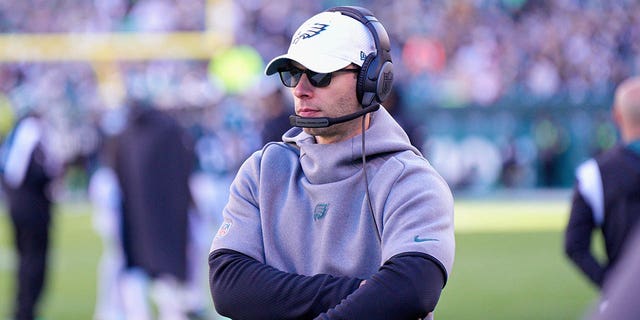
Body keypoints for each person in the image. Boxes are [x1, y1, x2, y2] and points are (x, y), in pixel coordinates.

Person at [208, 6, 455, 320]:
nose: (300, 89)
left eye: (320, 75)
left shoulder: (410, 180)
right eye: (293, 73)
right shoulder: (261, 170)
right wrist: (359, 291)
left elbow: (413, 288)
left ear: (372, 79)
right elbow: (230, 285)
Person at [112, 99, 196, 320]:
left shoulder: (127, 135)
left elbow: (118, 171)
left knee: (142, 270)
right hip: (168, 213)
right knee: (166, 271)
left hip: (138, 214)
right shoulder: (169, 130)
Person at [564, 76, 640, 289]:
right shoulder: (594, 174)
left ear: (617, 116)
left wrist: (614, 287)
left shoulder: (594, 174)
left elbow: (574, 246)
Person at [0, 110, 62, 320]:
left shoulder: (17, 136)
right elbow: (41, 171)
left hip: (18, 206)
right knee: (33, 262)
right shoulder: (32, 134)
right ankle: (25, 310)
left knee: (25, 261)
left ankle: (24, 308)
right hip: (32, 211)